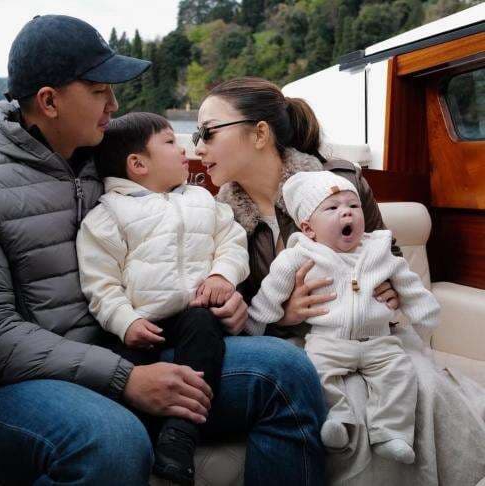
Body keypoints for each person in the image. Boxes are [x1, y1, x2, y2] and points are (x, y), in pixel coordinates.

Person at [0, 17, 327, 486]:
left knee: (287, 372)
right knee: (113, 443)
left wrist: (227, 296)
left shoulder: (111, 167)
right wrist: (123, 379)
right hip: (9, 388)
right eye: (99, 91)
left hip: (129, 353)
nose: (114, 104)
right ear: (49, 101)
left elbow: (184, 240)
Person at [194, 76, 485, 485]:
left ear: (259, 134)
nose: (198, 147)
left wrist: (384, 291)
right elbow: (243, 314)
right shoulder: (216, 216)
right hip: (291, 343)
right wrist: (286, 315)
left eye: (207, 132)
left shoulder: (340, 181)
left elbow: (386, 253)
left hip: (371, 330)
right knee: (336, 403)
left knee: (422, 388)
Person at [76, 112, 250, 484]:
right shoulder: (108, 215)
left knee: (203, 328)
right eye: (170, 142)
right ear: (138, 164)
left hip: (194, 315)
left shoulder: (202, 199)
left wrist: (222, 275)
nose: (184, 149)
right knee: (121, 367)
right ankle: (143, 440)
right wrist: (126, 322)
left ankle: (181, 431)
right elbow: (100, 283)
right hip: (140, 325)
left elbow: (232, 242)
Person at [247, 171, 440, 464]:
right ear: (308, 228)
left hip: (379, 340)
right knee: (314, 373)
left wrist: (424, 312)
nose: (347, 212)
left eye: (353, 205)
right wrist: (254, 324)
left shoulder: (378, 251)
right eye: (332, 208)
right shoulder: (299, 255)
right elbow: (270, 293)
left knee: (400, 374)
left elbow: (408, 283)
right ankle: (336, 419)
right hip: (328, 340)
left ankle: (391, 433)